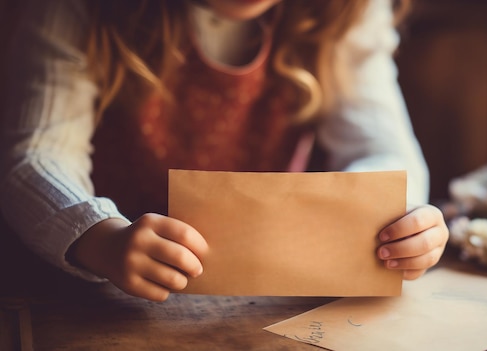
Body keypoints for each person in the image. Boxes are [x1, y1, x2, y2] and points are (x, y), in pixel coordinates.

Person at [0, 0, 449, 302]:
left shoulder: (343, 10)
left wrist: (402, 219)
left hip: (264, 296)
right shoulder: (76, 9)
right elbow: (36, 157)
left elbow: (382, 147)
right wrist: (99, 237)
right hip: (93, 294)